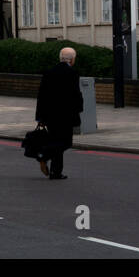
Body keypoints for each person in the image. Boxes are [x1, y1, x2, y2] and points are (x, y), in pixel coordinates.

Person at [34, 46, 83, 179]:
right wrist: (79, 109)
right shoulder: (72, 73)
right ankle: (43, 155)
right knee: (66, 143)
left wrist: (40, 116)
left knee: (56, 140)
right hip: (66, 115)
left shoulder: (49, 72)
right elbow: (75, 95)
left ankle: (56, 172)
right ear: (72, 59)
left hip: (49, 115)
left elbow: (42, 96)